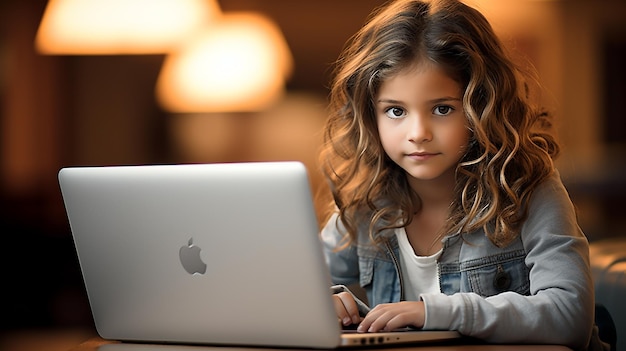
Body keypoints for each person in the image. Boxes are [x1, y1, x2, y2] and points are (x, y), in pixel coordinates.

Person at [318, 0, 607, 350]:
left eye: (442, 109)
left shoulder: (529, 187)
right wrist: (321, 302)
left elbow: (569, 314)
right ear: (370, 116)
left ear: (482, 105)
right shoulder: (365, 200)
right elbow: (301, 284)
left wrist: (437, 312)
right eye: (396, 110)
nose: (418, 132)